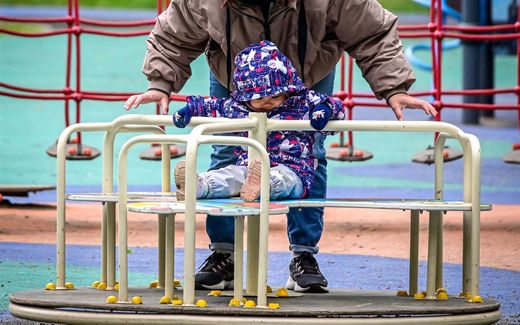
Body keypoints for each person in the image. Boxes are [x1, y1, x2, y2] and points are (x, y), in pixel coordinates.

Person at [124, 0, 437, 293]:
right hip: (239, 79)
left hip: (307, 70)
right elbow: (174, 34)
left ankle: (304, 255)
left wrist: (393, 88)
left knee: (309, 153)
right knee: (224, 147)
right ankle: (223, 254)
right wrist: (160, 82)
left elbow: (372, 30)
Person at [172, 41, 345, 213]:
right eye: (259, 99)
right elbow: (212, 106)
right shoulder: (237, 107)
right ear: (246, 97)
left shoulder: (300, 103)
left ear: (288, 90)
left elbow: (333, 106)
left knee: (285, 180)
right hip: (248, 166)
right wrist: (189, 110)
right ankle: (200, 185)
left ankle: (264, 185)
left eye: (275, 97)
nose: (267, 103)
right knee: (230, 175)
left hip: (294, 168)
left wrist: (323, 111)